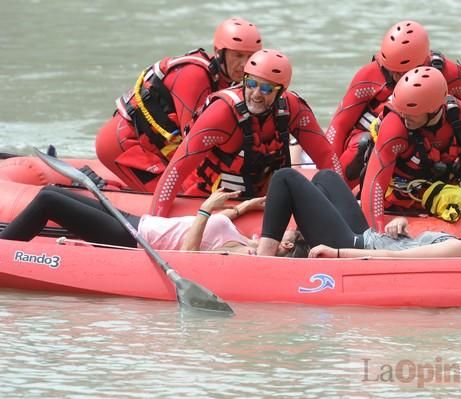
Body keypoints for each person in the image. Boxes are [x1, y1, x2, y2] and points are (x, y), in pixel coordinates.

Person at [327, 20, 461, 187]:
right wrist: (329, 176)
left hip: (420, 146)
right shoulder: (369, 75)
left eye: (403, 72)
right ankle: (342, 191)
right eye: (391, 70)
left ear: (424, 61)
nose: (397, 78)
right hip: (378, 141)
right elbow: (338, 126)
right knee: (362, 144)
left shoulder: (450, 75)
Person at [149, 49, 342, 217]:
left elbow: (327, 159)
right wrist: (155, 222)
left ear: (281, 91)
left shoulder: (293, 108)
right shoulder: (221, 114)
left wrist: (344, 206)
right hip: (212, 199)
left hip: (263, 199)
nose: (256, 94)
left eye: (266, 89)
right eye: (251, 84)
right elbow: (176, 170)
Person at [95, 17, 263, 192]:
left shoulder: (237, 82)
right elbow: (195, 142)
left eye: (251, 57)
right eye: (238, 55)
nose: (244, 64)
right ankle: (99, 189)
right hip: (124, 142)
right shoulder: (194, 76)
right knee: (183, 192)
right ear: (219, 53)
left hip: (158, 145)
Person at [256, 168, 461, 259]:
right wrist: (401, 227)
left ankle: (263, 259)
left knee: (285, 178)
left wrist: (338, 254)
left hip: (354, 247)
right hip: (368, 237)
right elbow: (407, 248)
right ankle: (296, 241)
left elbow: (397, 259)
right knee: (327, 178)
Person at [361, 66, 461, 232]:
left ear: (433, 108)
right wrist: (376, 233)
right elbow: (375, 184)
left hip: (442, 198)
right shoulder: (394, 125)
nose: (404, 117)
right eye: (402, 110)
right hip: (396, 201)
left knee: (453, 198)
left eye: (411, 112)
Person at [0, 185, 308, 257]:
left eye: (286, 235)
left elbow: (188, 256)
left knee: (48, 201)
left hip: (133, 239)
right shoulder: (246, 241)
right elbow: (220, 225)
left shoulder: (243, 255)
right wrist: (242, 208)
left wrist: (204, 211)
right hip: (137, 220)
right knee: (52, 190)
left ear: (286, 247)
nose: (279, 231)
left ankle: (4, 254)